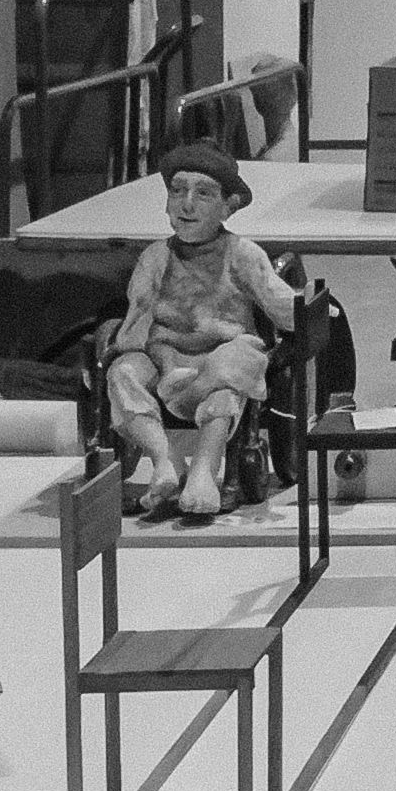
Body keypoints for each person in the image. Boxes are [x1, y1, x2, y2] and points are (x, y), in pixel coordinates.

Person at [106, 145, 300, 518]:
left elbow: (278, 303)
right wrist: (132, 349)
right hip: (165, 360)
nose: (187, 204)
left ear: (229, 206)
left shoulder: (242, 254)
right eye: (178, 191)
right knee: (123, 373)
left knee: (233, 372)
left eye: (204, 194)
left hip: (220, 359)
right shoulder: (156, 258)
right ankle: (164, 460)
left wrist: (308, 310)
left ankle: (203, 472)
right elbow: (138, 316)